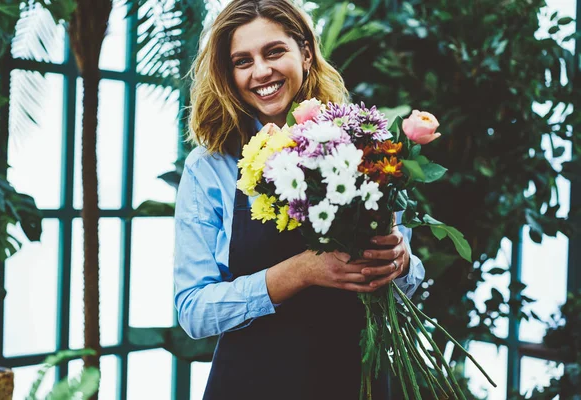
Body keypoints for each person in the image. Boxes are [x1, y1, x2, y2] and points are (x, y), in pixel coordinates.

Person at [174, 1, 425, 399]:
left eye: (274, 51)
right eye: (243, 61)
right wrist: (302, 272)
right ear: (228, 73)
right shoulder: (210, 167)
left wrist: (401, 262)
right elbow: (194, 310)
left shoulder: (363, 144)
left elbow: (404, 284)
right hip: (251, 385)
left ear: (305, 53)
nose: (261, 71)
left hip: (355, 381)